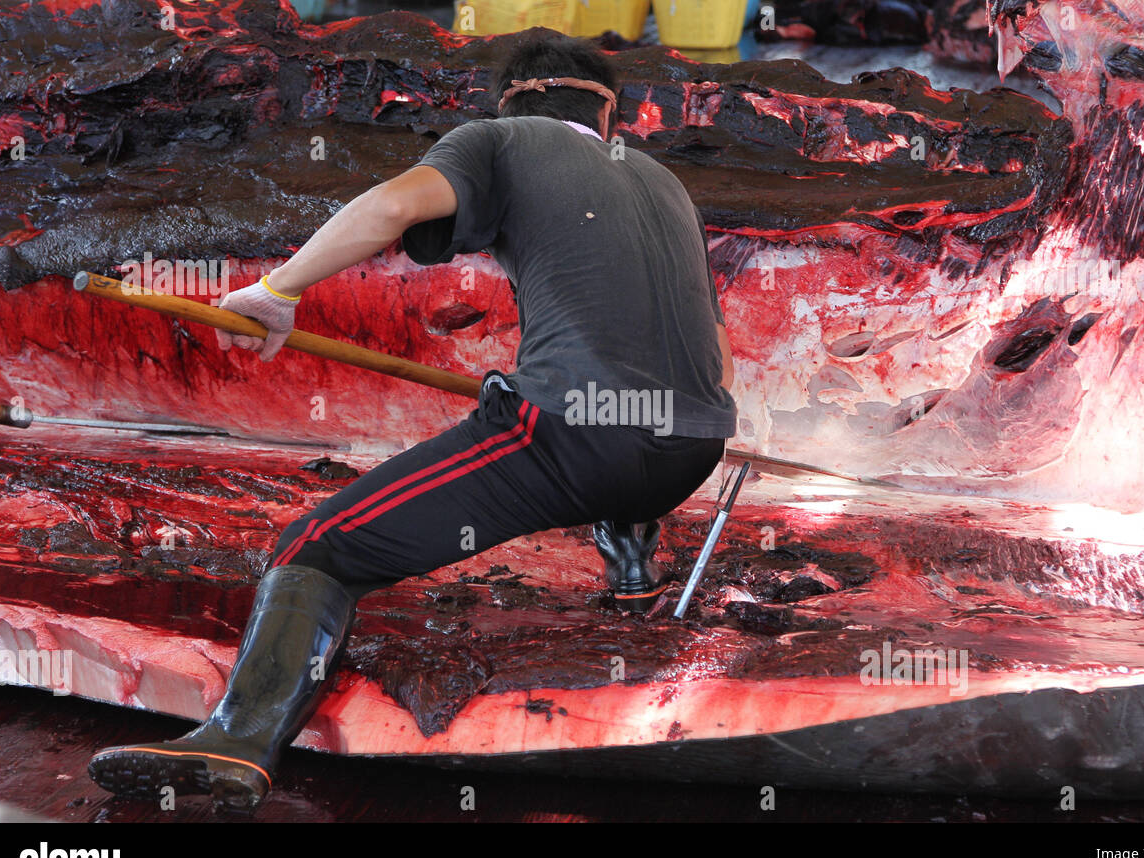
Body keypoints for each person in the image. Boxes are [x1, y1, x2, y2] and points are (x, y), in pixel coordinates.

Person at [88, 33, 736, 812]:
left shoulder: (498, 139)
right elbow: (716, 359)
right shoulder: (664, 183)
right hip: (694, 447)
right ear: (607, 115)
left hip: (571, 440)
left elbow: (395, 206)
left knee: (317, 549)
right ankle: (633, 570)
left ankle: (237, 741)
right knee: (627, 408)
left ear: (514, 99)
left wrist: (279, 291)